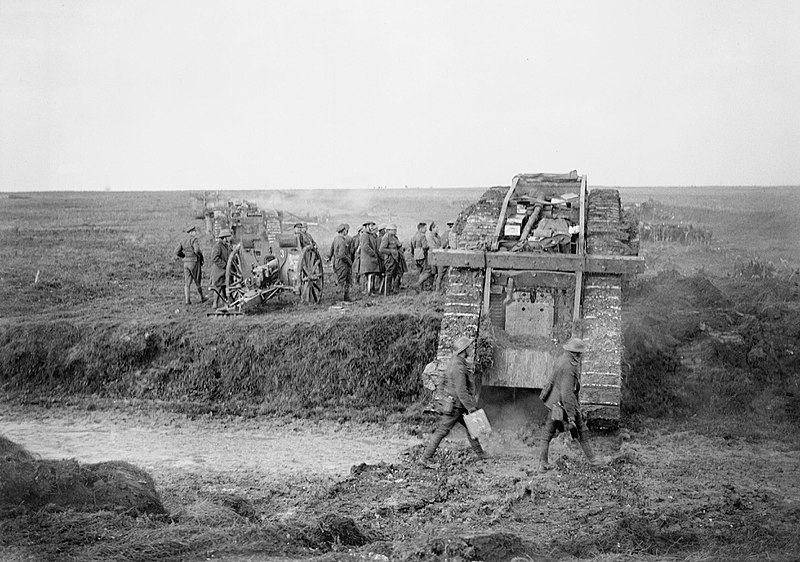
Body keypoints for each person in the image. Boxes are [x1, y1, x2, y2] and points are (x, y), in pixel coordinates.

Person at [536, 337, 605, 472]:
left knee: (547, 433)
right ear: (576, 353)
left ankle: (542, 463)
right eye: (580, 353)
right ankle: (592, 459)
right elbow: (566, 393)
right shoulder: (569, 367)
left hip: (554, 403)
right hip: (563, 404)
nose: (581, 356)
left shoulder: (562, 359)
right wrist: (572, 416)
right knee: (581, 429)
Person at [420, 335, 486, 469]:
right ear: (463, 350)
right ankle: (426, 458)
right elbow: (461, 390)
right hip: (456, 406)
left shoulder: (455, 362)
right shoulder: (458, 366)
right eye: (469, 348)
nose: (471, 349)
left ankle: (480, 454)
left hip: (456, 404)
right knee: (442, 431)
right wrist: (471, 408)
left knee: (470, 428)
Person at [174, 225, 206, 305]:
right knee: (197, 280)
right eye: (195, 231)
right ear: (191, 232)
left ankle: (187, 301)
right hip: (194, 262)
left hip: (186, 263)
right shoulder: (194, 239)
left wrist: (184, 256)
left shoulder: (183, 240)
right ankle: (201, 297)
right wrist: (200, 257)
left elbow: (176, 252)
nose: (196, 233)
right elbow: (197, 250)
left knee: (187, 283)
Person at [209, 228, 232, 308]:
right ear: (224, 238)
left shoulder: (227, 246)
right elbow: (214, 258)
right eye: (228, 236)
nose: (230, 238)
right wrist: (225, 265)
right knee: (217, 287)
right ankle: (215, 303)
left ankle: (225, 303)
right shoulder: (218, 246)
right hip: (218, 270)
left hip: (225, 270)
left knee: (224, 286)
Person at [358, 221, 382, 294]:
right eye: (370, 226)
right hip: (368, 259)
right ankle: (367, 291)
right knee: (367, 276)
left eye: (372, 225)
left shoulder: (370, 235)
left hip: (371, 259)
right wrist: (373, 253)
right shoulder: (365, 235)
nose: (372, 227)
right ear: (367, 226)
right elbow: (365, 247)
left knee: (371, 276)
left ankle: (370, 290)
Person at [378, 224, 402, 294]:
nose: (395, 231)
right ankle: (386, 291)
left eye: (395, 230)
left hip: (396, 258)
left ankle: (394, 289)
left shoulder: (394, 237)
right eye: (394, 230)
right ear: (388, 230)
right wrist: (391, 251)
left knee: (398, 273)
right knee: (389, 274)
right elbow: (381, 249)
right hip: (390, 258)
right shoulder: (386, 237)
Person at [331, 223, 353, 301]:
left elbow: (331, 250)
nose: (346, 232)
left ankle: (345, 297)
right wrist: (349, 261)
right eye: (346, 231)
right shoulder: (342, 242)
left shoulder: (336, 239)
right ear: (343, 231)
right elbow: (342, 255)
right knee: (343, 281)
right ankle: (341, 298)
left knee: (345, 280)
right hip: (343, 264)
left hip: (337, 262)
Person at [410, 222, 432, 291]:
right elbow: (425, 246)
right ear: (420, 228)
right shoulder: (422, 236)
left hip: (416, 256)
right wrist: (429, 248)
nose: (426, 230)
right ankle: (417, 284)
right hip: (422, 255)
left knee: (421, 272)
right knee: (428, 271)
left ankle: (420, 289)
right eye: (425, 228)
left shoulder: (414, 236)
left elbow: (412, 248)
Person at [426, 222, 444, 292]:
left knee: (436, 272)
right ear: (432, 228)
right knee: (432, 272)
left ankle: (434, 287)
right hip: (432, 255)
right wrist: (441, 248)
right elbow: (433, 247)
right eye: (436, 227)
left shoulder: (438, 236)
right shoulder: (430, 236)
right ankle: (429, 287)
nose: (438, 229)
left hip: (437, 255)